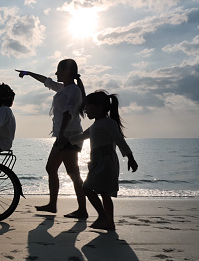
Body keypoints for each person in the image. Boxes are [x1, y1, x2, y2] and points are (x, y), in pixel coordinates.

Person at [16, 59, 87, 218]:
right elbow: (46, 81)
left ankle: (82, 210)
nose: (56, 73)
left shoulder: (73, 90)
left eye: (58, 70)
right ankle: (52, 205)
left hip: (70, 136)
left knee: (73, 172)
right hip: (63, 135)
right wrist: (28, 73)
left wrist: (62, 134)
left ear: (67, 71)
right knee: (51, 168)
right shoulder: (63, 88)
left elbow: (68, 113)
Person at [68, 90, 138, 230]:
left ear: (99, 107)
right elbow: (81, 136)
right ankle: (108, 221)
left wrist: (130, 158)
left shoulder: (108, 123)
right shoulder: (95, 125)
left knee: (88, 188)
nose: (85, 109)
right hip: (97, 162)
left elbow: (120, 141)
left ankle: (103, 217)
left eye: (88, 106)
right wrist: (66, 141)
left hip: (107, 162)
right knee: (103, 193)